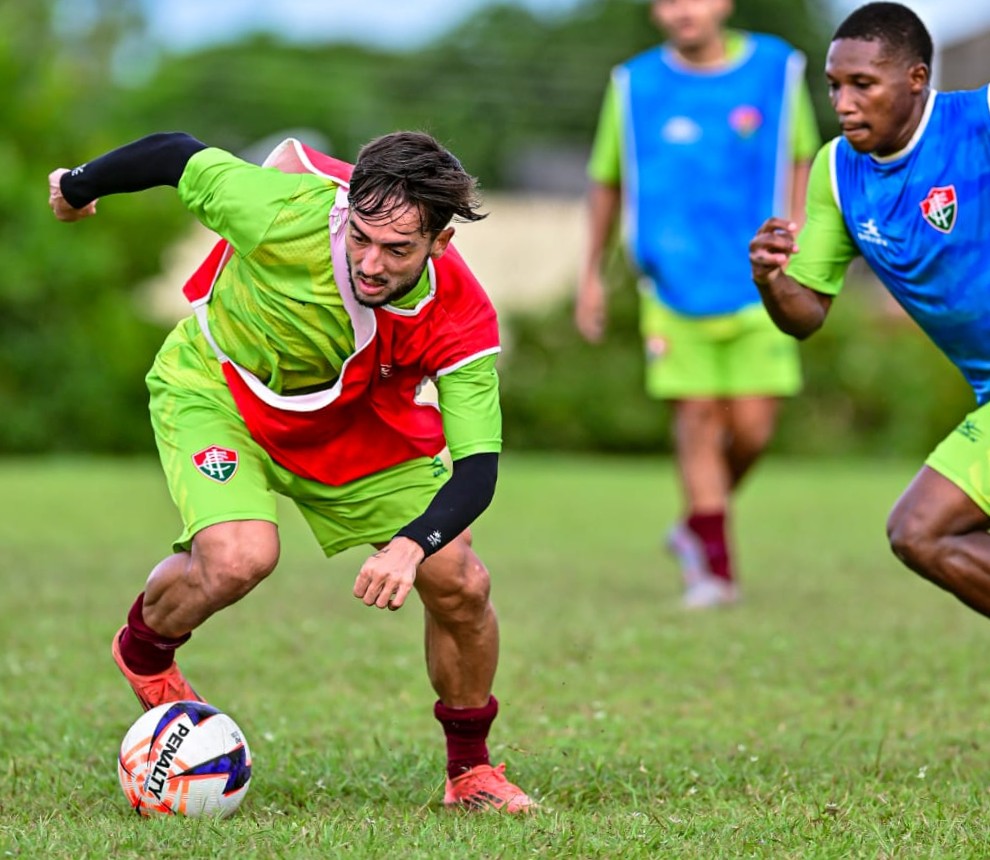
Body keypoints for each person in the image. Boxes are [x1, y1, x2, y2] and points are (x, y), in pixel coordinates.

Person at [48, 130, 534, 814]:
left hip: (354, 425)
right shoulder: (283, 211)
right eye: (361, 237)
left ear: (439, 244)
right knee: (240, 558)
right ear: (347, 211)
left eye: (397, 250)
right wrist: (76, 188)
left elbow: (478, 469)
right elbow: (171, 154)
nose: (370, 262)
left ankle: (471, 772)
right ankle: (145, 651)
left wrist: (410, 545)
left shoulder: (459, 316)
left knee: (459, 579)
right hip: (218, 390)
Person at [749, 2, 990, 622]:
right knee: (919, 534)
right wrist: (771, 278)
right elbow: (806, 314)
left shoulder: (978, 121)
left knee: (922, 527)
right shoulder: (837, 171)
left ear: (915, 79)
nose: (844, 102)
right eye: (835, 85)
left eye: (863, 84)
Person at [576, 0, 821, 607]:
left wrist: (801, 239)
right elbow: (607, 181)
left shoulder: (776, 69)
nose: (682, 9)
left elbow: (802, 158)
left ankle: (694, 525)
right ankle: (715, 568)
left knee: (753, 429)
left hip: (758, 281)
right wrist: (591, 275)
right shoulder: (633, 85)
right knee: (697, 421)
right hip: (672, 284)